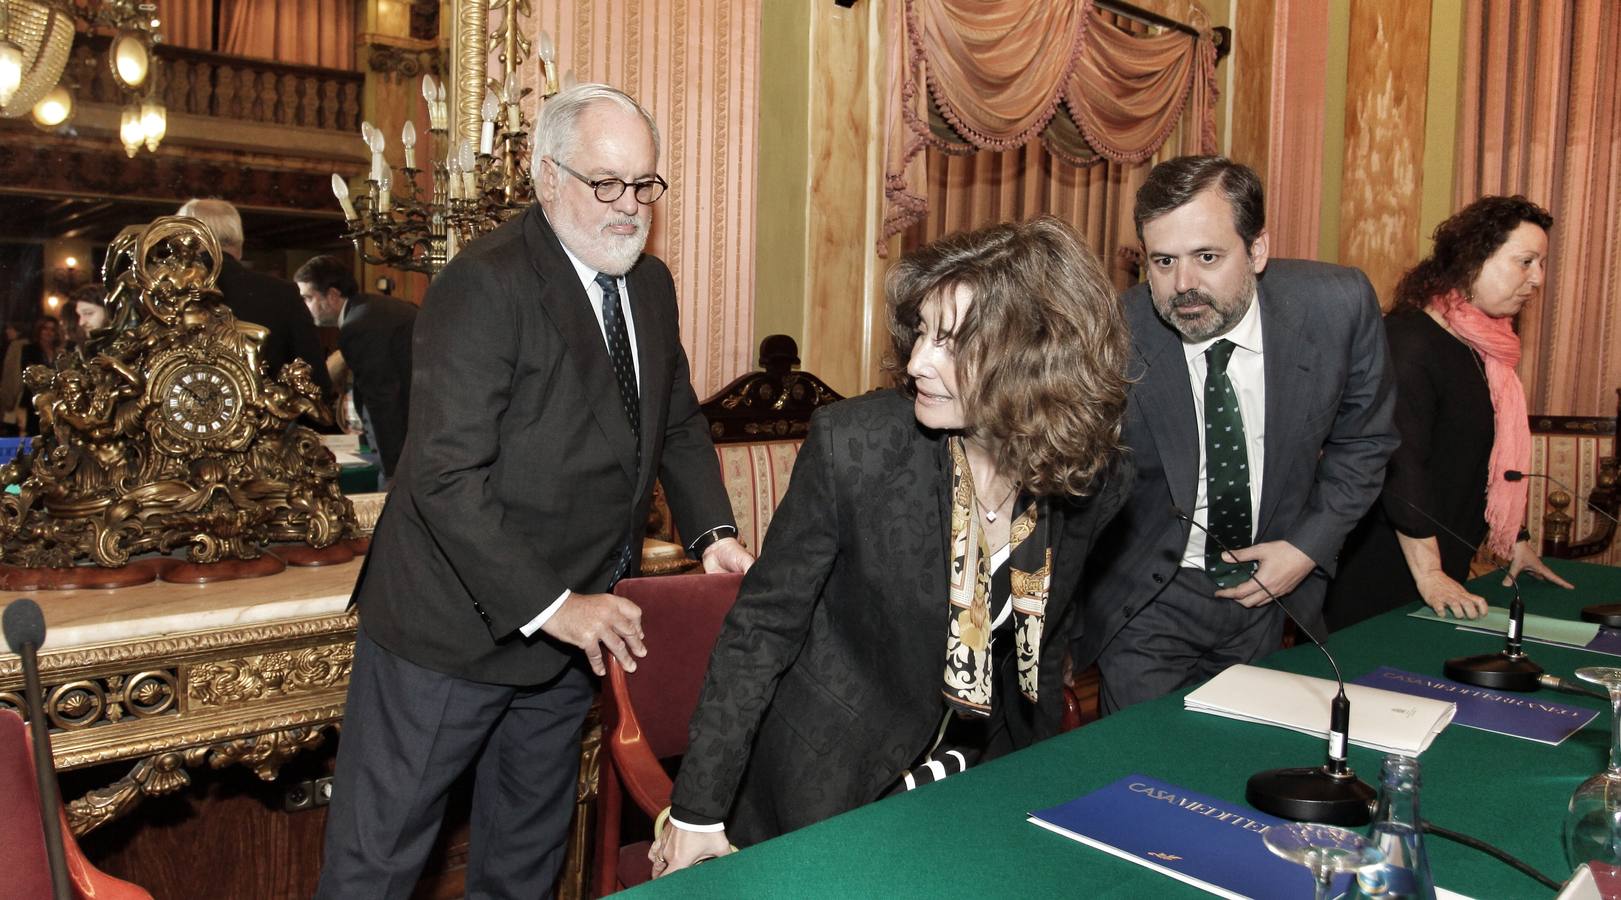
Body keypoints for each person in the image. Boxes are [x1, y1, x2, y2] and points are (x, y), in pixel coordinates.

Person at [315, 83, 753, 900]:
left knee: (523, 863)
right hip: (447, 632)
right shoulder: (484, 284)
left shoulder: (649, 285)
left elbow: (677, 422)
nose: (630, 208)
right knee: (374, 870)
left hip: (567, 638)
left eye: (645, 185)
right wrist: (555, 605)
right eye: (607, 184)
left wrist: (710, 534)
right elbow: (444, 476)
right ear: (546, 176)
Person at [651, 216, 1134, 875]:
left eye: (950, 342)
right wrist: (695, 812)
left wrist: (1034, 784)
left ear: (1036, 358)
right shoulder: (857, 446)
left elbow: (1043, 646)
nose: (916, 363)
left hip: (978, 776)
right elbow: (759, 630)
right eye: (921, 334)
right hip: (827, 778)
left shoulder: (1092, 477)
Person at [1073, 155, 1399, 715]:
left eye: (1207, 257)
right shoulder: (1108, 335)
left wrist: (1306, 548)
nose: (1183, 286)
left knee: (1246, 766)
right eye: (1163, 261)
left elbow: (1365, 442)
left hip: (1272, 591)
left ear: (1258, 250)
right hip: (1149, 597)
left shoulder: (1337, 307)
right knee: (1138, 771)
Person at [1325, 196, 1574, 630]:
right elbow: (1402, 468)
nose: (1537, 278)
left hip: (1444, 565)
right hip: (1387, 570)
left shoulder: (1486, 349)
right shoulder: (1409, 343)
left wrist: (1515, 541)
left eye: (1541, 263)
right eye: (1525, 261)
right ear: (1472, 259)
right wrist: (1430, 573)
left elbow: (1479, 459)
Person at [175, 198, 332, 397]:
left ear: (184, 242)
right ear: (239, 246)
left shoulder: (160, 293)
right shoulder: (282, 294)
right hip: (265, 422)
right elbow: (316, 384)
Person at [294, 254, 417, 480]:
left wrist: (392, 472)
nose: (304, 307)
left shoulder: (358, 326)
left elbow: (383, 400)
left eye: (308, 298)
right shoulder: (377, 309)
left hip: (405, 451)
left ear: (332, 295)